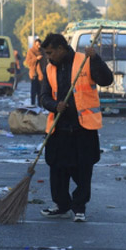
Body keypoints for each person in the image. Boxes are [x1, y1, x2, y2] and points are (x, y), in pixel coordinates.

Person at [39, 33, 113, 222]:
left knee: (83, 170)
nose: (48, 57)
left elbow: (106, 80)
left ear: (61, 49)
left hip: (83, 127)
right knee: (57, 169)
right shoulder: (49, 68)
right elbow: (44, 96)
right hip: (58, 128)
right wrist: (56, 106)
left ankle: (79, 207)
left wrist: (95, 58)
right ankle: (61, 205)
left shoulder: (85, 60)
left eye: (50, 52)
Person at [25, 38, 46, 107]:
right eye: (37, 45)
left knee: (40, 90)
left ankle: (40, 104)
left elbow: (46, 61)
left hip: (41, 73)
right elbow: (28, 62)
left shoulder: (43, 51)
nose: (38, 46)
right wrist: (36, 59)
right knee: (34, 89)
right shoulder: (31, 51)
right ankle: (33, 103)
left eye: (39, 44)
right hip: (34, 72)